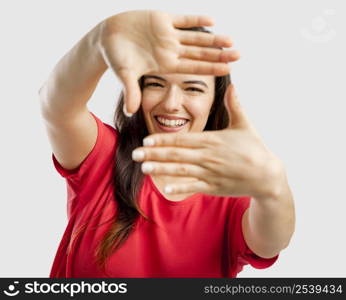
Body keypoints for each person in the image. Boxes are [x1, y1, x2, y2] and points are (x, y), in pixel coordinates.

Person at [39, 10, 295, 278]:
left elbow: (270, 243)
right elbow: (56, 106)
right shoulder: (102, 157)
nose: (172, 104)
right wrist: (99, 40)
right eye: (156, 84)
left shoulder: (230, 195)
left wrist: (273, 187)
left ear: (214, 102)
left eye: (193, 88)